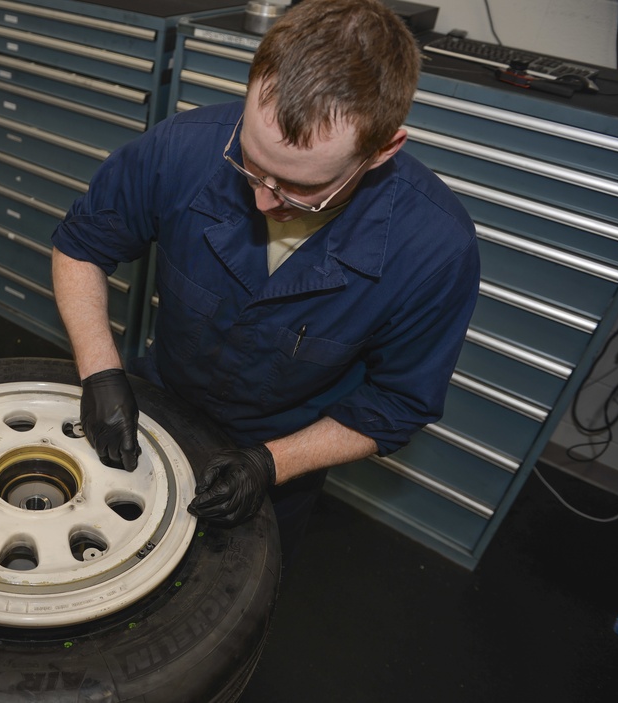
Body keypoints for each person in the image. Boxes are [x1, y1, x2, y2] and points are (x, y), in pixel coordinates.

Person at [50, 0, 480, 542]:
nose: (261, 199)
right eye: (250, 164)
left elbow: (397, 403)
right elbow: (82, 247)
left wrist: (271, 464)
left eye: (300, 188)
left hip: (285, 455)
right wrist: (100, 373)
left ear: (381, 150)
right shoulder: (183, 148)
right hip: (156, 403)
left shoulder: (435, 250)